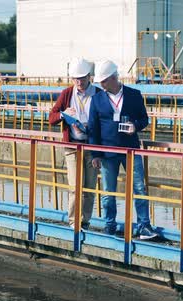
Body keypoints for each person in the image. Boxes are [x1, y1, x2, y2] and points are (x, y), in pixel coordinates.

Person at [87, 60, 158, 240]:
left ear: (113, 78)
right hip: (107, 152)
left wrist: (135, 126)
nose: (101, 85)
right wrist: (95, 154)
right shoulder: (97, 100)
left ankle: (144, 226)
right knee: (108, 192)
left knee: (139, 188)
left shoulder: (134, 95)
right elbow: (93, 129)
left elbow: (144, 119)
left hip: (130, 150)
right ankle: (110, 225)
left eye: (104, 81)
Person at [49, 58, 100, 230]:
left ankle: (85, 221)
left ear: (89, 77)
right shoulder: (67, 94)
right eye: (75, 79)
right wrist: (63, 114)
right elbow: (52, 117)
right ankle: (73, 222)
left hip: (92, 148)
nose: (78, 82)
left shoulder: (98, 94)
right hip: (72, 147)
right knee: (74, 187)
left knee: (89, 187)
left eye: (82, 78)